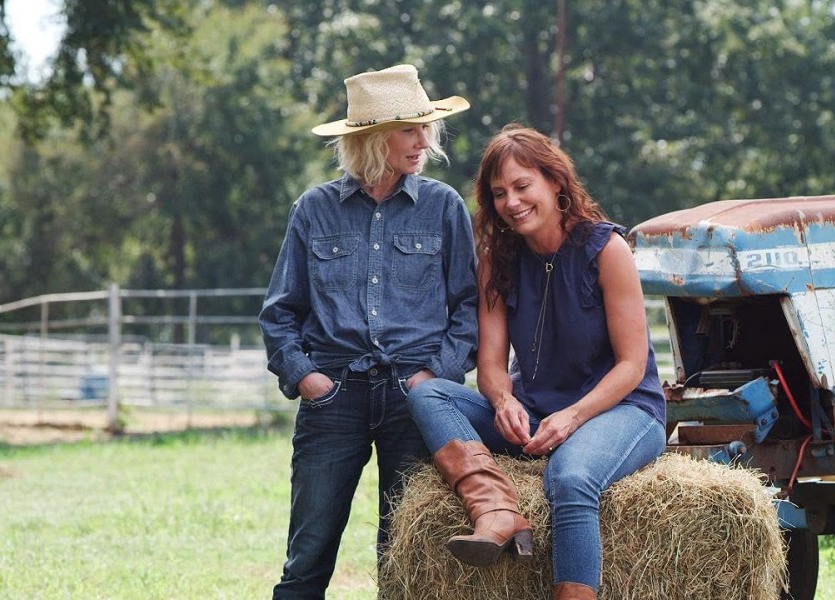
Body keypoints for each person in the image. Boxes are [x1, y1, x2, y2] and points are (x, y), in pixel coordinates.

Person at [407, 124, 667, 600]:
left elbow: (631, 366)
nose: (512, 202)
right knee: (428, 392)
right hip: (536, 415)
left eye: (522, 186)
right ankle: (497, 511)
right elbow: (490, 364)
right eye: (499, 193)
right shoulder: (497, 259)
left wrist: (572, 417)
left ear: (555, 182)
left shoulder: (607, 250)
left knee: (569, 478)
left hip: (623, 410)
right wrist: (502, 399)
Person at [259, 64, 477, 600]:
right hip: (333, 395)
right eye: (409, 129)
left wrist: (436, 378)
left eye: (425, 128)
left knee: (403, 560)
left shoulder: (443, 206)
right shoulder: (313, 210)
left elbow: (470, 307)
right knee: (308, 557)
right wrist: (307, 378)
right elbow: (280, 312)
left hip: (415, 397)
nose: (423, 141)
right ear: (373, 138)